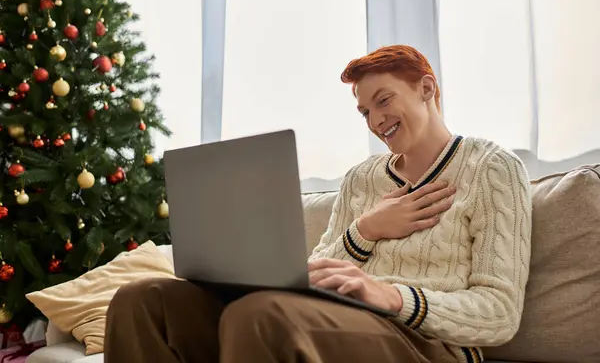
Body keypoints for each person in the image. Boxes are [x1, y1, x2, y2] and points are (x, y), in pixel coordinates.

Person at [104, 45, 532, 363]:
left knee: (261, 316)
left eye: (384, 100)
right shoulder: (361, 179)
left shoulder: (492, 168)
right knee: (142, 300)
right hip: (338, 320)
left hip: (427, 345)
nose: (376, 120)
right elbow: (312, 271)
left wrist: (392, 296)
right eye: (365, 112)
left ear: (426, 88)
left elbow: (499, 314)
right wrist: (365, 231)